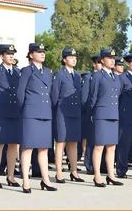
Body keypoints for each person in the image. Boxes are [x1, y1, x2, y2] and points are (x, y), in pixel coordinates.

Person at [17, 43, 57, 192]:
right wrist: (25, 110)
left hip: (45, 114)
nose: (42, 54)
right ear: (31, 54)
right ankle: (26, 181)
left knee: (44, 149)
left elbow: (51, 93)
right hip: (31, 114)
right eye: (38, 51)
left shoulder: (48, 72)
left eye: (43, 51)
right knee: (27, 148)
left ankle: (45, 180)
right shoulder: (27, 71)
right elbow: (20, 94)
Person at [0, 44, 21, 188]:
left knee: (13, 144)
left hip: (14, 112)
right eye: (8, 54)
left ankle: (11, 176)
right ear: (1, 56)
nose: (11, 56)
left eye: (13, 54)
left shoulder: (18, 72)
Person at [89, 48, 123, 187]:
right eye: (109, 58)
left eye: (113, 58)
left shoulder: (116, 77)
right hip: (101, 114)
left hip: (113, 114)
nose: (112, 60)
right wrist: (93, 113)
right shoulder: (97, 76)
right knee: (99, 147)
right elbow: (93, 97)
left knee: (111, 147)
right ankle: (97, 175)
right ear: (102, 60)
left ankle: (111, 175)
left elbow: (118, 94)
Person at [51, 47, 84, 183]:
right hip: (62, 112)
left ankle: (74, 172)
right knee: (61, 142)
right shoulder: (60, 74)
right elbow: (54, 95)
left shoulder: (77, 75)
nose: (74, 59)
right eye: (71, 57)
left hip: (75, 112)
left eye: (75, 57)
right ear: (64, 60)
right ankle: (59, 172)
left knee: (73, 142)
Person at [82, 55, 102, 175]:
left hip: (101, 113)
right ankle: (89, 165)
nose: (100, 64)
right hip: (91, 113)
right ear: (94, 64)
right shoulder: (89, 77)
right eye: (98, 63)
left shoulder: (105, 77)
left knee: (100, 141)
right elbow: (85, 98)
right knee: (91, 140)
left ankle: (100, 166)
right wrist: (90, 112)